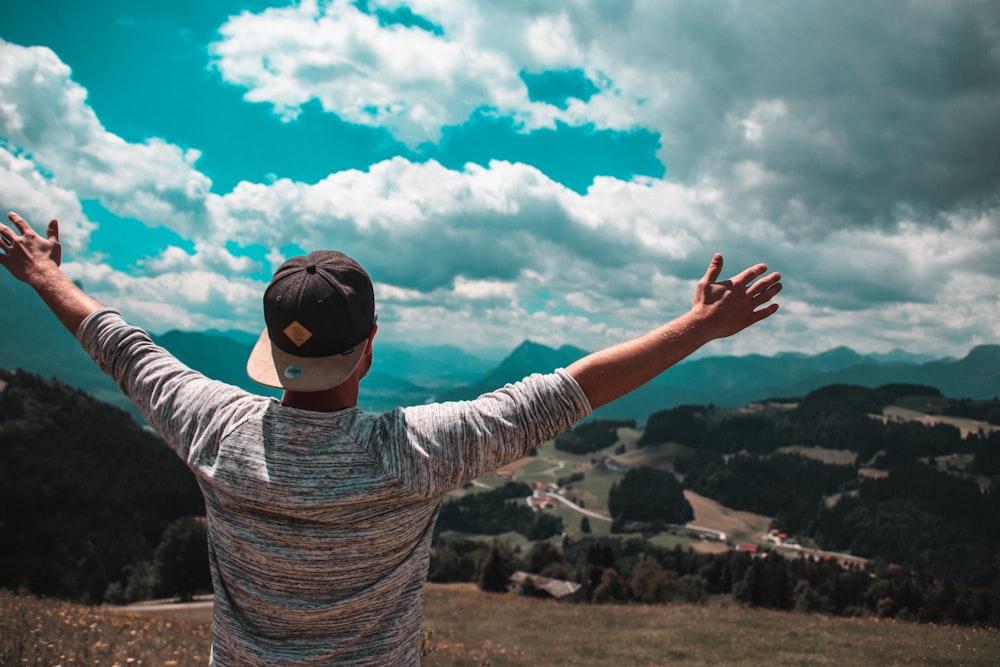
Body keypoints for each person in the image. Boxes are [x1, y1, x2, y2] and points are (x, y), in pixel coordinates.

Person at [0, 211, 781, 665]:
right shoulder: (415, 451)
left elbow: (121, 346)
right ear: (369, 346)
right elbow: (569, 391)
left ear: (273, 349)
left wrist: (41, 274)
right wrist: (699, 326)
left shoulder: (211, 426)